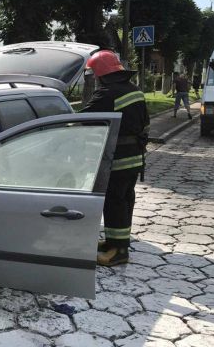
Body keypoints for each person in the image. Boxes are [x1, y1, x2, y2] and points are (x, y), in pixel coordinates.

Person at [81, 50, 150, 267]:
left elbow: (84, 120)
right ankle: (116, 242)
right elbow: (146, 124)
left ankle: (119, 252)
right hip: (135, 157)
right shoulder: (135, 91)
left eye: (95, 74)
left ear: (101, 73)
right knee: (125, 200)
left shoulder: (107, 94)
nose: (95, 78)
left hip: (118, 159)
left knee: (115, 202)